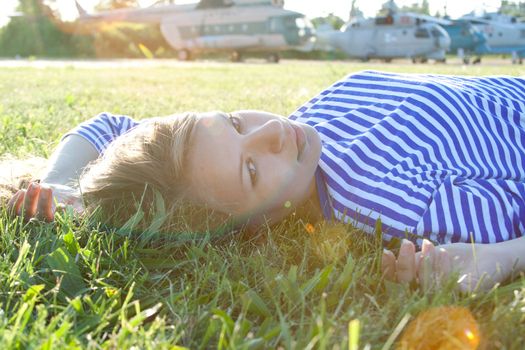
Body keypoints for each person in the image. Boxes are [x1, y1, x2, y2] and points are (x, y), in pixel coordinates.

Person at [6, 70, 525, 292]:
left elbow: (111, 127)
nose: (272, 130)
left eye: (233, 121)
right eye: (250, 170)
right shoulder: (393, 204)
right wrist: (499, 258)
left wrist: (62, 184)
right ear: (256, 225)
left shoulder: (296, 138)